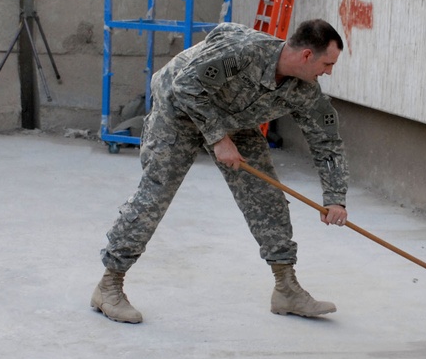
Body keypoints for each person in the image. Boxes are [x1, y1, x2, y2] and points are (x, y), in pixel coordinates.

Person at [91, 19, 349, 324]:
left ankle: (286, 289)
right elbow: (185, 86)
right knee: (154, 196)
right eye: (327, 63)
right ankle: (109, 286)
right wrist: (218, 138)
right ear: (307, 55)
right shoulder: (244, 53)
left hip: (232, 120)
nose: (329, 72)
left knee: (267, 199)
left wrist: (335, 198)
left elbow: (327, 140)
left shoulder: (306, 91)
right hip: (178, 111)